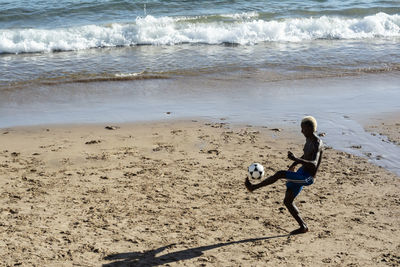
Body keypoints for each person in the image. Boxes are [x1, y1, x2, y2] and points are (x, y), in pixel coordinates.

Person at [245, 116, 323, 235]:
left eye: (303, 129)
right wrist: (294, 163)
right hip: (301, 172)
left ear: (309, 128)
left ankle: (253, 187)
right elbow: (306, 155)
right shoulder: (308, 139)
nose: (301, 131)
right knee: (287, 201)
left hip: (308, 177)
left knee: (280, 174)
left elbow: (314, 164)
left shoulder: (317, 142)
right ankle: (303, 227)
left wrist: (295, 158)